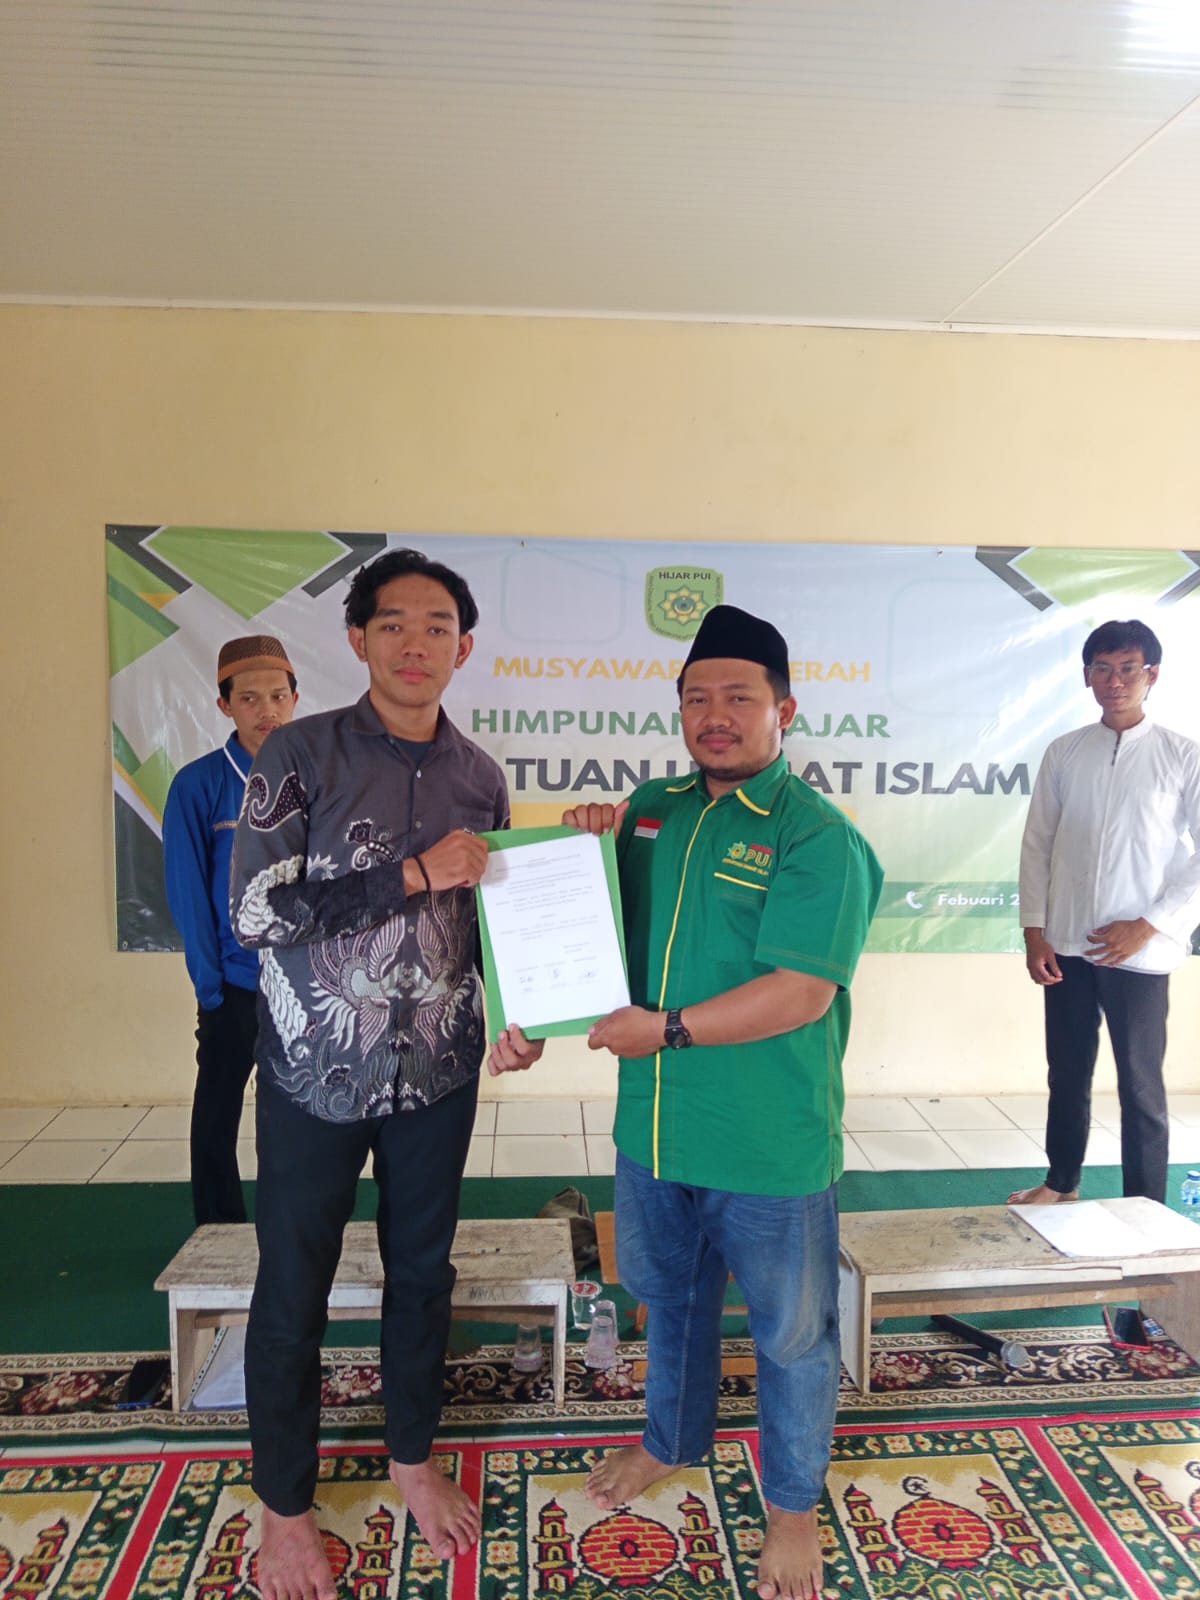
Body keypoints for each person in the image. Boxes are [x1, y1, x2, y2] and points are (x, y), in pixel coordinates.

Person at [489, 603, 883, 1600]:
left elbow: (801, 991)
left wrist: (665, 1028)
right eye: (697, 697)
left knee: (792, 1335)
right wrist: (536, 997)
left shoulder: (816, 836)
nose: (716, 715)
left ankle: (791, 1507)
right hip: (655, 1133)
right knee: (669, 1302)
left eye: (739, 697)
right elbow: (590, 939)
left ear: (784, 711)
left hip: (769, 1145)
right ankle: (670, 1439)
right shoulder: (651, 811)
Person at [229, 549, 508, 1600]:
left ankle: (412, 1460)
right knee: (292, 1286)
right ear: (358, 639)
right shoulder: (299, 753)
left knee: (423, 1275)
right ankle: (284, 1507)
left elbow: (487, 925)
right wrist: (411, 872)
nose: (415, 643)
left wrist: (517, 1015)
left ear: (463, 649)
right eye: (394, 623)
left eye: (438, 627)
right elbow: (255, 913)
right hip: (315, 1075)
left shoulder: (481, 777)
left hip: (437, 1073)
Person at [1010, 618, 1200, 1209]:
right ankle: (1060, 1183)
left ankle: (1145, 1207)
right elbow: (1037, 845)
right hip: (1066, 943)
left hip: (1140, 951)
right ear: (1087, 676)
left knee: (1140, 1085)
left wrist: (1149, 925)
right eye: (1102, 669)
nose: (1114, 681)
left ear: (1152, 675)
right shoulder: (1065, 752)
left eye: (1128, 669)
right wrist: (1035, 932)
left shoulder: (1183, 756)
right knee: (1066, 1072)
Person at [163, 634, 299, 1226]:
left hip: (301, 985)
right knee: (216, 1116)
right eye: (249, 698)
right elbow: (188, 891)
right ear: (224, 705)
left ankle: (289, 1225)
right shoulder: (199, 785)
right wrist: (210, 986)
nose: (266, 710)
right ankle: (217, 1229)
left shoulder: (313, 777)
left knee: (292, 1117)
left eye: (278, 696)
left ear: (296, 699)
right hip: (234, 985)